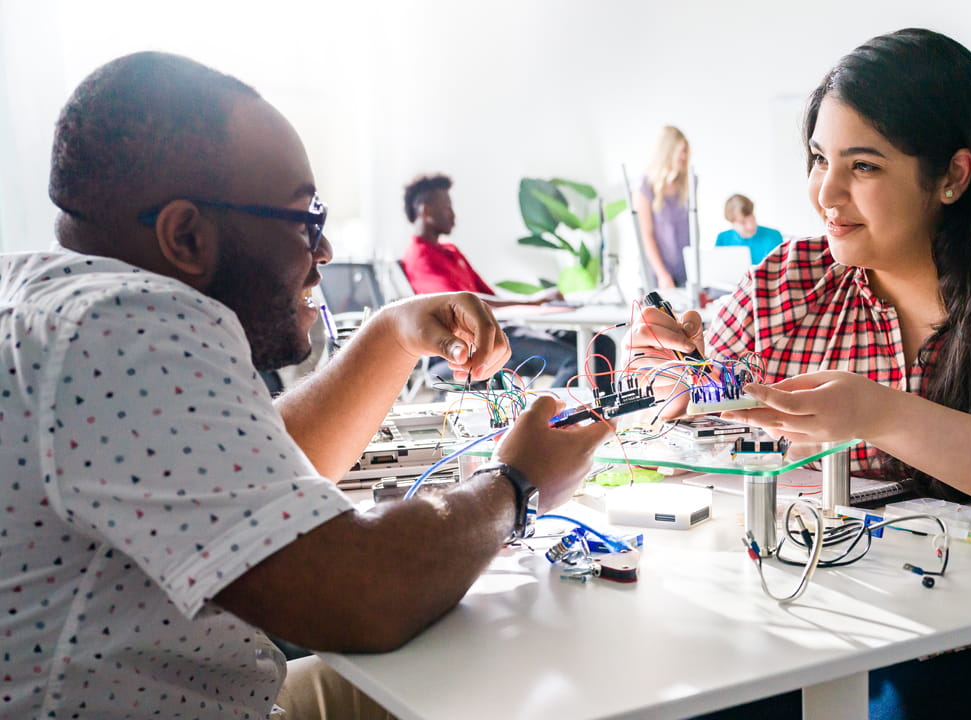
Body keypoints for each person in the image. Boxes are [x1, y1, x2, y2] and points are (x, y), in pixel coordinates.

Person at [0, 52, 613, 719]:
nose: (322, 252)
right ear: (186, 235)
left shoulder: (53, 303)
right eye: (304, 220)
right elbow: (363, 594)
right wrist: (518, 484)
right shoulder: (122, 327)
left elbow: (248, 474)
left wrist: (391, 335)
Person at [626, 28, 971, 720]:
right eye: (819, 159)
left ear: (953, 176)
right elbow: (679, 396)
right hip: (824, 609)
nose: (827, 192)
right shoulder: (789, 281)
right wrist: (665, 371)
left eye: (864, 167)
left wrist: (880, 414)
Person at [401, 173, 615, 390]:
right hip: (472, 342)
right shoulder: (419, 256)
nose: (453, 214)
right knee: (577, 360)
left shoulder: (451, 251)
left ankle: (604, 419)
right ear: (426, 211)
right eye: (446, 207)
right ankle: (554, 421)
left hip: (501, 328)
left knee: (600, 345)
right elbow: (458, 302)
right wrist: (532, 302)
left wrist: (536, 303)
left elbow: (489, 298)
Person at [632, 125, 692, 288]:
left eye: (686, 151)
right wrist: (663, 274)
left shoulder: (688, 184)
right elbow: (646, 235)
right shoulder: (644, 186)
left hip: (685, 269)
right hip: (656, 273)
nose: (684, 156)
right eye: (680, 151)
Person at [715, 194, 785, 264]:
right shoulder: (723, 239)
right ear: (732, 223)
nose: (750, 226)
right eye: (743, 222)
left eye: (752, 219)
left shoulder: (773, 235)